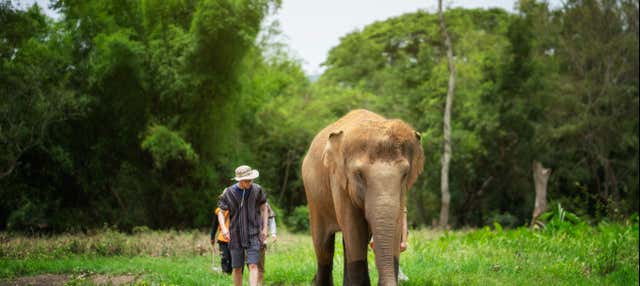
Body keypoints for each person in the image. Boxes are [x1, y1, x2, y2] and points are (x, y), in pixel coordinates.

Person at [218, 165, 268, 286]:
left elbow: (264, 208)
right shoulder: (229, 193)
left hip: (254, 233)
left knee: (253, 265)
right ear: (239, 180)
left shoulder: (257, 190)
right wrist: (224, 229)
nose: (250, 182)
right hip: (235, 234)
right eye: (247, 180)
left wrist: (265, 228)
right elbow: (220, 212)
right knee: (237, 268)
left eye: (251, 179)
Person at [369, 207, 409, 282]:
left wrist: (404, 241)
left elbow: (404, 223)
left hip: (396, 232)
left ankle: (396, 271)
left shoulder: (400, 201)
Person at [210, 196, 232, 274]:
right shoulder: (219, 211)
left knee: (232, 258)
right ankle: (225, 273)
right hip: (222, 238)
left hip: (234, 237)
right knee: (225, 257)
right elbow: (214, 225)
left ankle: (229, 272)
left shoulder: (234, 209)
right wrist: (212, 237)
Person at [257, 202, 277, 285]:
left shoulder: (266, 205)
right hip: (248, 239)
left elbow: (271, 220)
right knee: (251, 264)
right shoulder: (246, 201)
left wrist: (273, 233)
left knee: (260, 265)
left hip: (261, 238)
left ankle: (259, 283)